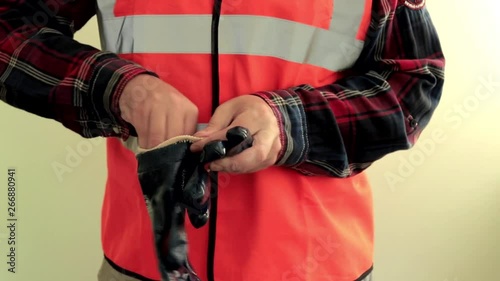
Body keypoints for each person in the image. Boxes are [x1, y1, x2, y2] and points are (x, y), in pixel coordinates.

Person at [0, 0, 445, 280]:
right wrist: (119, 88)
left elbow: (414, 80)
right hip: (142, 261)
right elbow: (9, 27)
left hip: (316, 266)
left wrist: (288, 122)